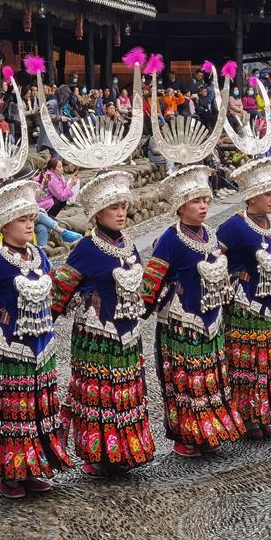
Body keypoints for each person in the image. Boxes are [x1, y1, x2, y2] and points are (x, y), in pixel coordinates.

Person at [50, 171, 155, 476]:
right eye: (114, 208)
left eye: (124, 206)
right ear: (97, 213)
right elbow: (61, 290)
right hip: (96, 334)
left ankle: (126, 450)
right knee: (99, 394)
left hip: (126, 331)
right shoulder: (86, 248)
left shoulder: (128, 244)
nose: (121, 212)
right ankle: (97, 454)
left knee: (126, 390)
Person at [0, 180, 72, 498]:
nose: (30, 225)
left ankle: (34, 467)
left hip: (41, 347)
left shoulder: (40, 256)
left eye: (32, 219)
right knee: (12, 412)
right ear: (4, 225)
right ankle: (10, 474)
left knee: (38, 410)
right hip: (7, 350)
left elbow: (50, 294)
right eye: (22, 220)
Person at [141, 165, 245, 457]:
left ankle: (211, 428)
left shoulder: (210, 235)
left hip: (211, 319)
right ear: (180, 206)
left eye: (206, 200)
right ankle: (186, 434)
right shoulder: (170, 239)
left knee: (211, 376)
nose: (203, 206)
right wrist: (141, 308)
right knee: (185, 380)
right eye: (196, 201)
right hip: (181, 322)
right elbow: (152, 280)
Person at [217, 158, 271, 440]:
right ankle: (247, 415)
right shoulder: (232, 227)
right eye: (268, 194)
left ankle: (266, 411)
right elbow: (214, 261)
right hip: (245, 306)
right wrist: (235, 277)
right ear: (251, 196)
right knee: (247, 362)